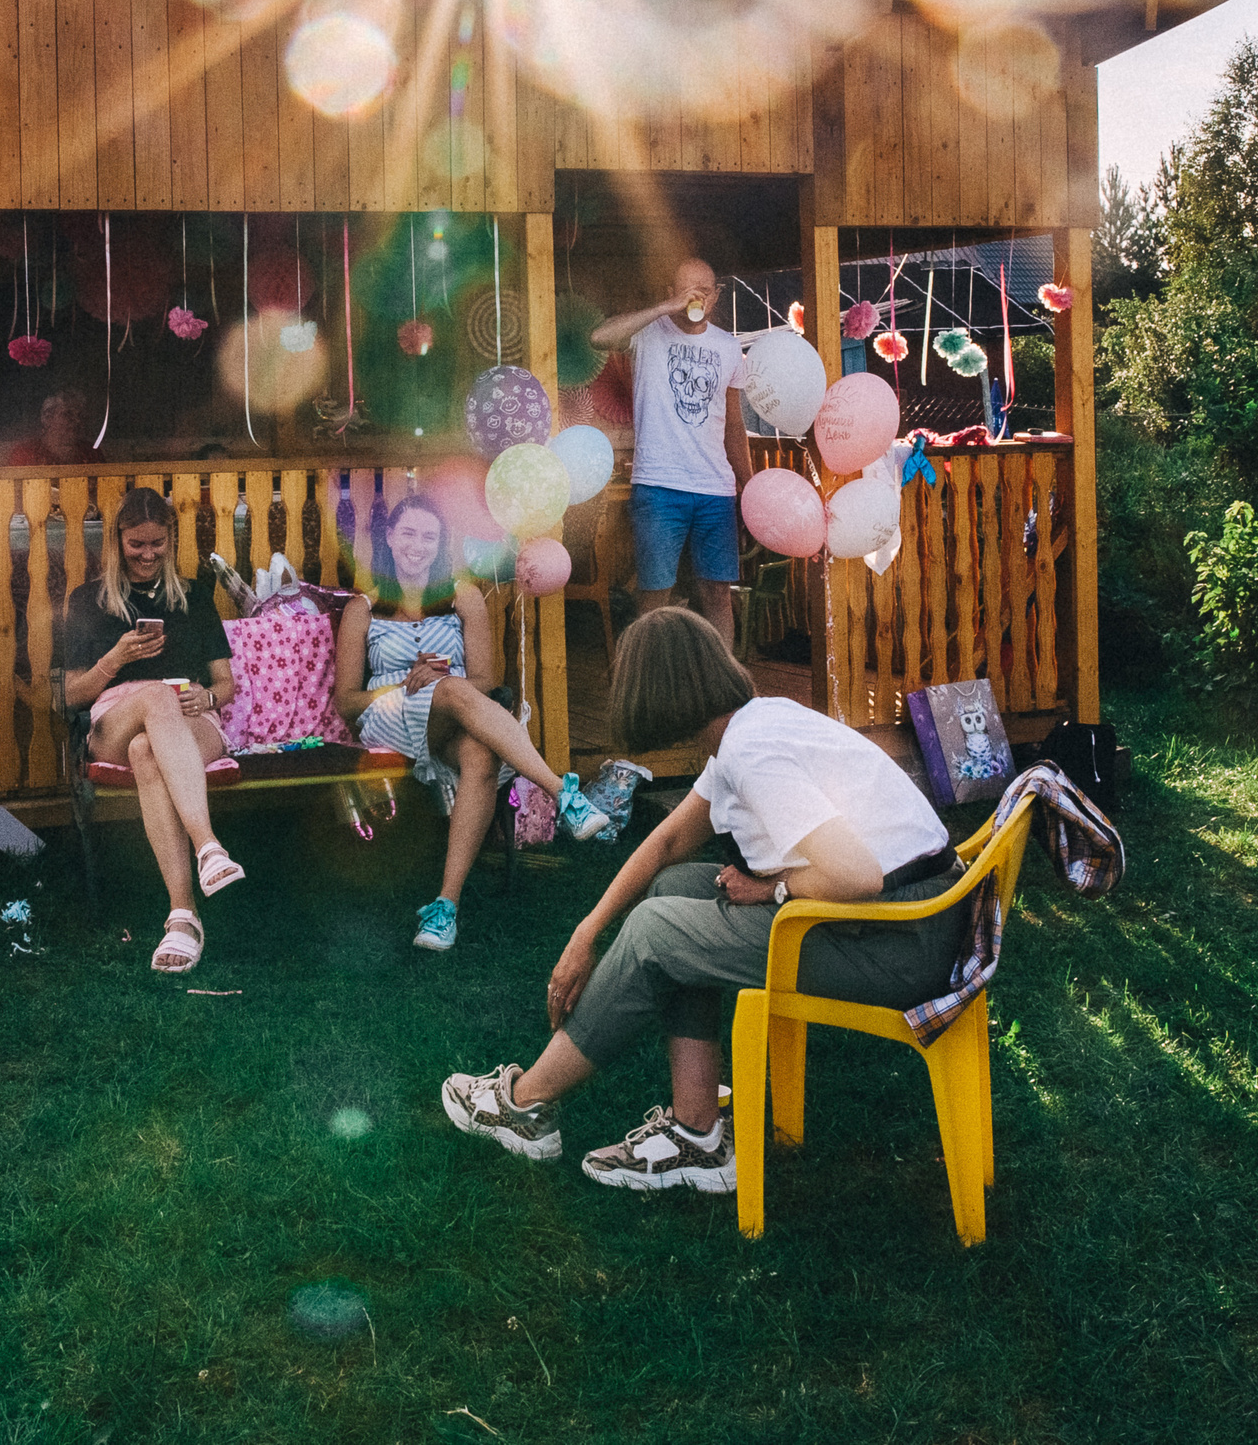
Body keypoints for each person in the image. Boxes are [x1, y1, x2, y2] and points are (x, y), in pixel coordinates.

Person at [438, 607, 965, 1193]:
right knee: (675, 889)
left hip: (901, 941)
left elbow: (858, 874)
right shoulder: (749, 729)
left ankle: (524, 1106)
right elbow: (666, 843)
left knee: (658, 931)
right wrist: (585, 934)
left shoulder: (752, 752)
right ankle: (697, 1136)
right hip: (905, 918)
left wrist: (772, 888)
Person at [334, 495, 606, 951]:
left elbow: (484, 680)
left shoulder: (463, 597)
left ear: (440, 544)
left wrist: (442, 685)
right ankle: (563, 793)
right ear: (390, 538)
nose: (417, 545)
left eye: (429, 536)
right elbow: (346, 702)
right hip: (387, 717)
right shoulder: (364, 607)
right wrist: (405, 686)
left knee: (479, 753)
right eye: (408, 533)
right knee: (449, 687)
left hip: (454, 717)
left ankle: (445, 907)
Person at [60, 487, 242, 973]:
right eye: (136, 544)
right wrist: (115, 659)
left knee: (148, 751)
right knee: (152, 702)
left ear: (171, 539)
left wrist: (207, 697)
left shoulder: (196, 598)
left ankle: (182, 915)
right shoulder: (88, 601)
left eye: (157, 544)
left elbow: (225, 684)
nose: (147, 554)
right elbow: (71, 694)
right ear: (117, 542)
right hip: (115, 720)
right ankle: (208, 845)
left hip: (190, 720)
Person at [589, 257, 753, 649]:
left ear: (715, 296)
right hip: (659, 485)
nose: (696, 296)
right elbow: (599, 337)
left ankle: (723, 688)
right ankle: (648, 693)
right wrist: (665, 309)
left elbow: (733, 425)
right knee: (654, 596)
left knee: (717, 594)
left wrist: (748, 485)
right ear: (670, 292)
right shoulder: (648, 334)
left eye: (705, 289)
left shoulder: (728, 347)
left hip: (716, 488)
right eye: (685, 289)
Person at [5, 385, 106, 466]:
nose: (77, 420)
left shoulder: (92, 454)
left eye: (80, 415)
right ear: (47, 417)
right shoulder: (26, 454)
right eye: (68, 414)